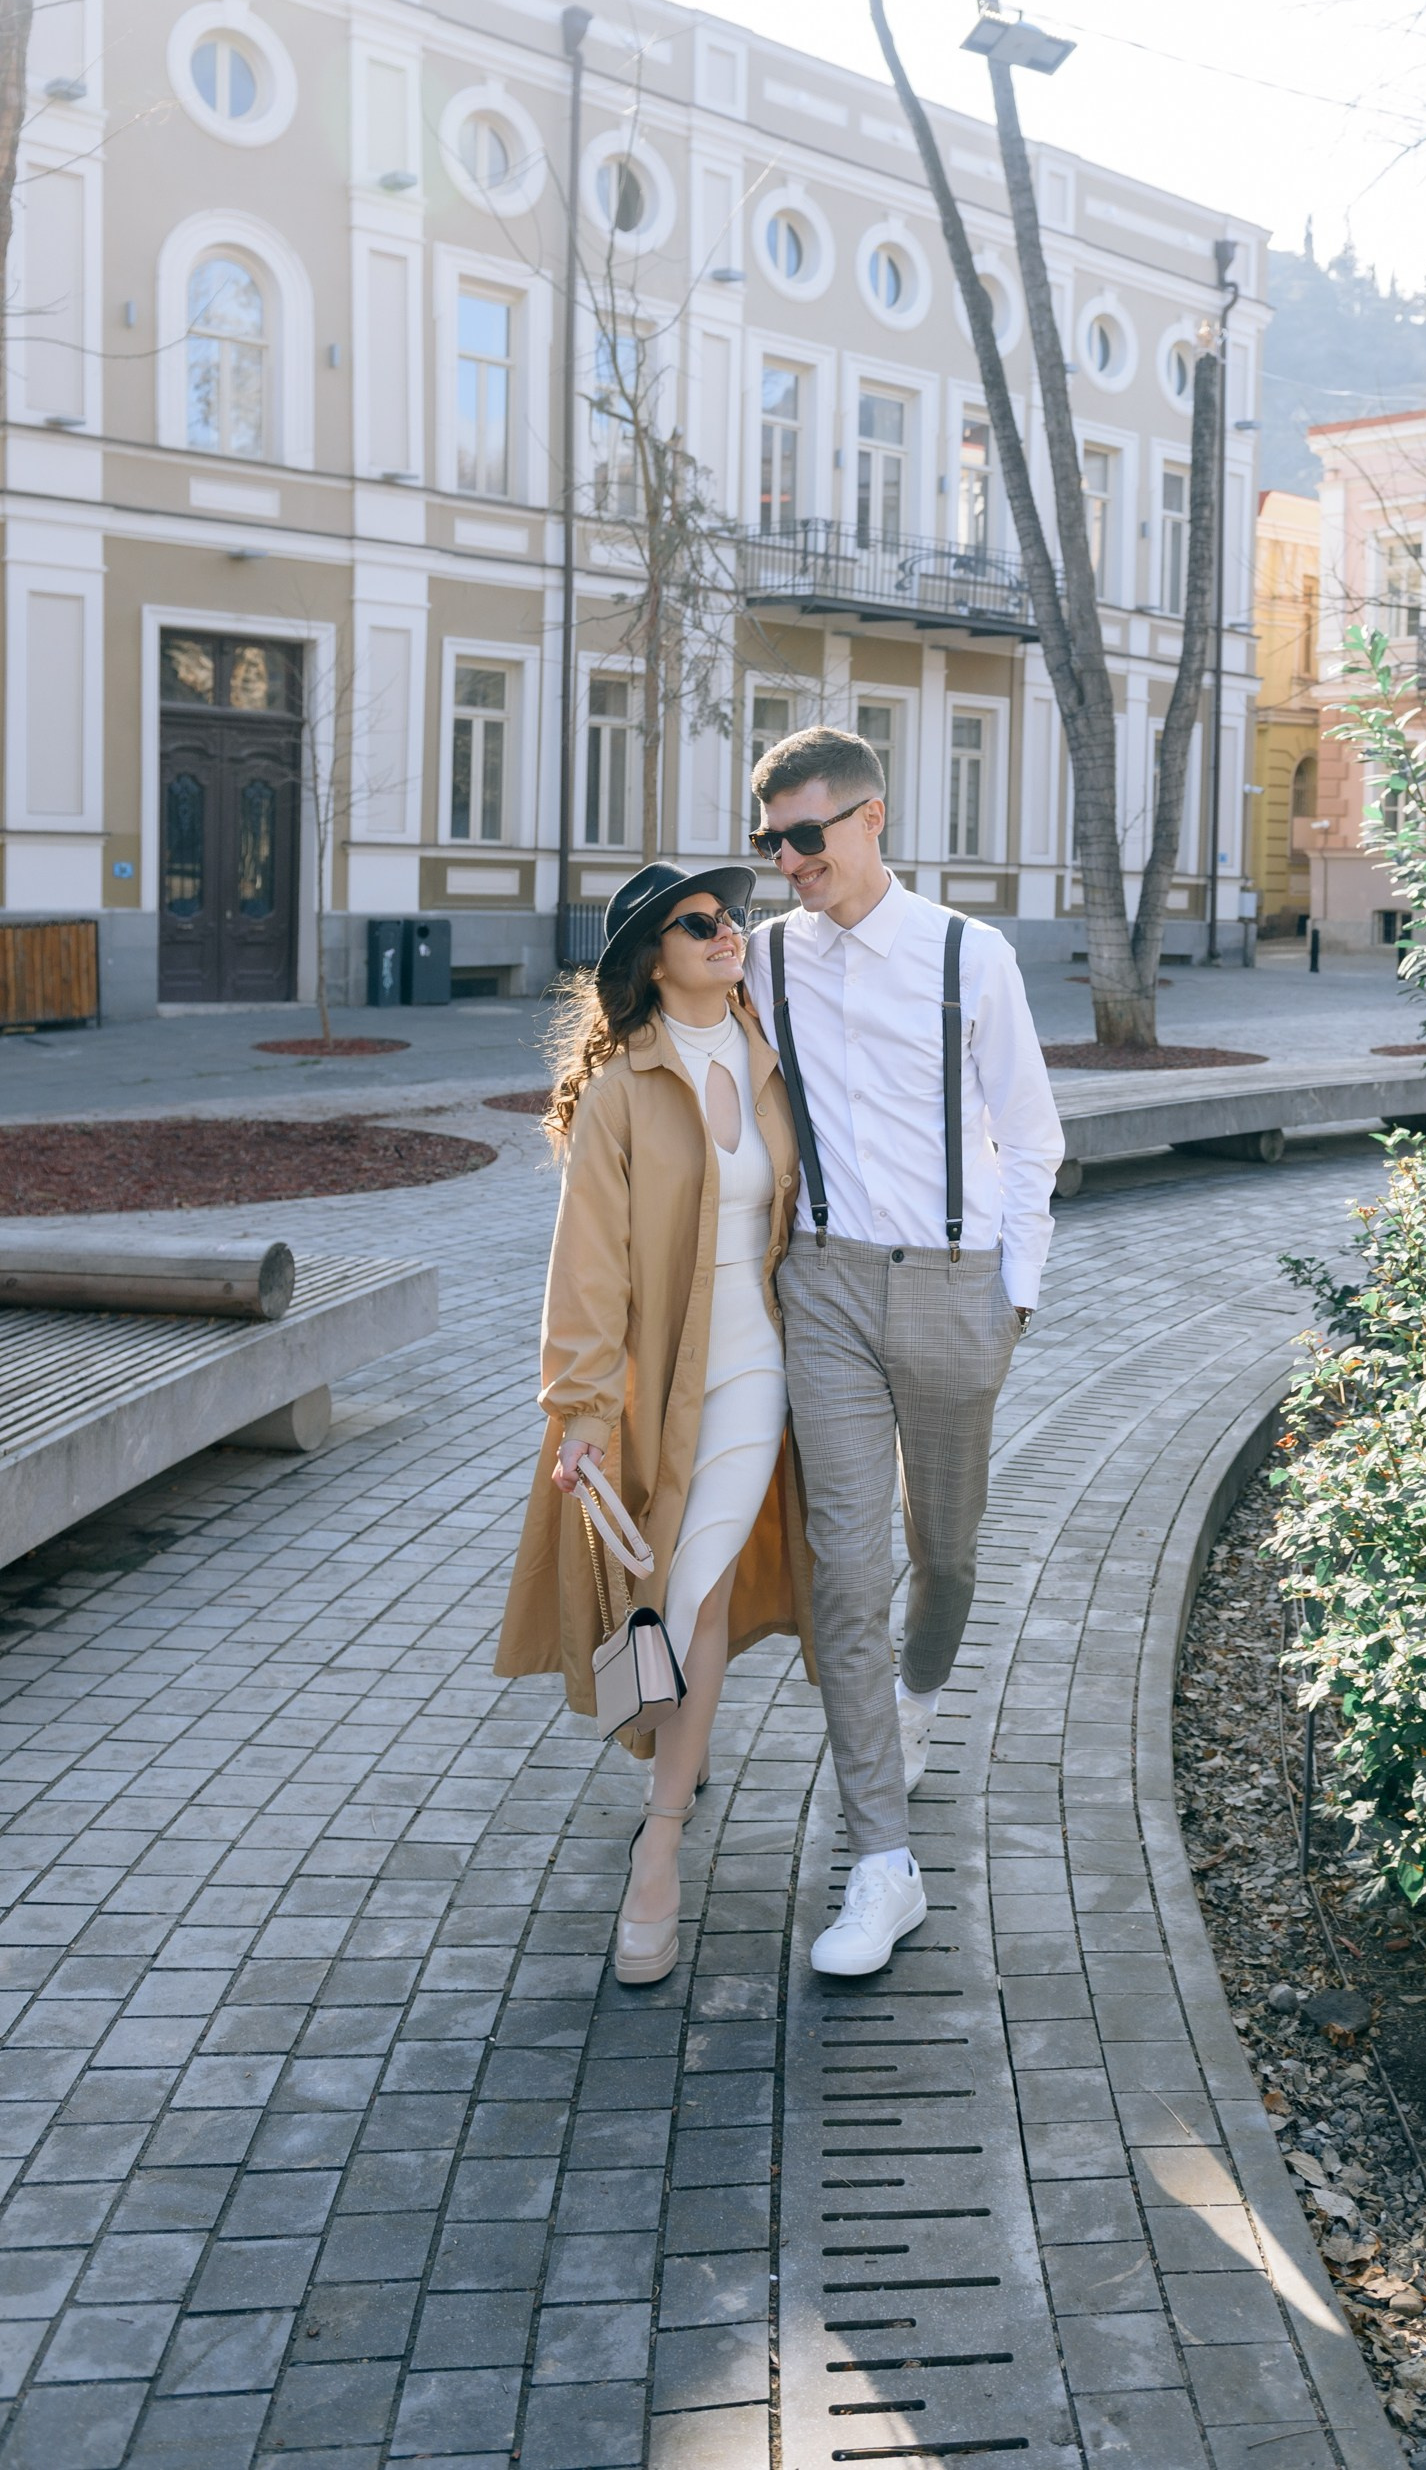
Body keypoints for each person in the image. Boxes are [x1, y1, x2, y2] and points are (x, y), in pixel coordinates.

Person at [743, 724, 1065, 1977]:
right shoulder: (763, 959)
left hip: (950, 1287)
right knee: (844, 1565)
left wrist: (1012, 1302)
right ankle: (881, 1862)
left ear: (872, 819)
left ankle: (916, 1707)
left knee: (948, 1556)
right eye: (768, 842)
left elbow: (1031, 1140)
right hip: (820, 1287)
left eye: (805, 836)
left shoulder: (965, 955)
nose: (786, 863)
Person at [495, 861, 813, 1984]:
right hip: (661, 1383)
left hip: (761, 1371)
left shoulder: (773, 1050)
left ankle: (660, 1848)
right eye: (699, 923)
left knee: (698, 1590)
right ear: (649, 961)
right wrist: (580, 1409)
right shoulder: (623, 1089)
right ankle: (678, 1755)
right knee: (670, 1598)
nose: (728, 933)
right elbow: (583, 1267)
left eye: (732, 918)